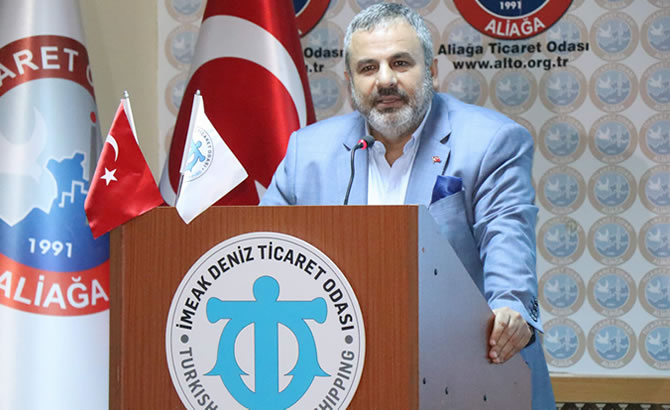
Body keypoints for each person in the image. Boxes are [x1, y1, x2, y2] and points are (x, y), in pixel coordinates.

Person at [261, 3, 555, 408]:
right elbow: (263, 249)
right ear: (350, 82)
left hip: (469, 376)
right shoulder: (307, 153)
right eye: (368, 68)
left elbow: (506, 235)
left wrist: (511, 306)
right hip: (345, 375)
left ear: (431, 71)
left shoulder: (492, 142)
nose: (385, 80)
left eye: (400, 63)